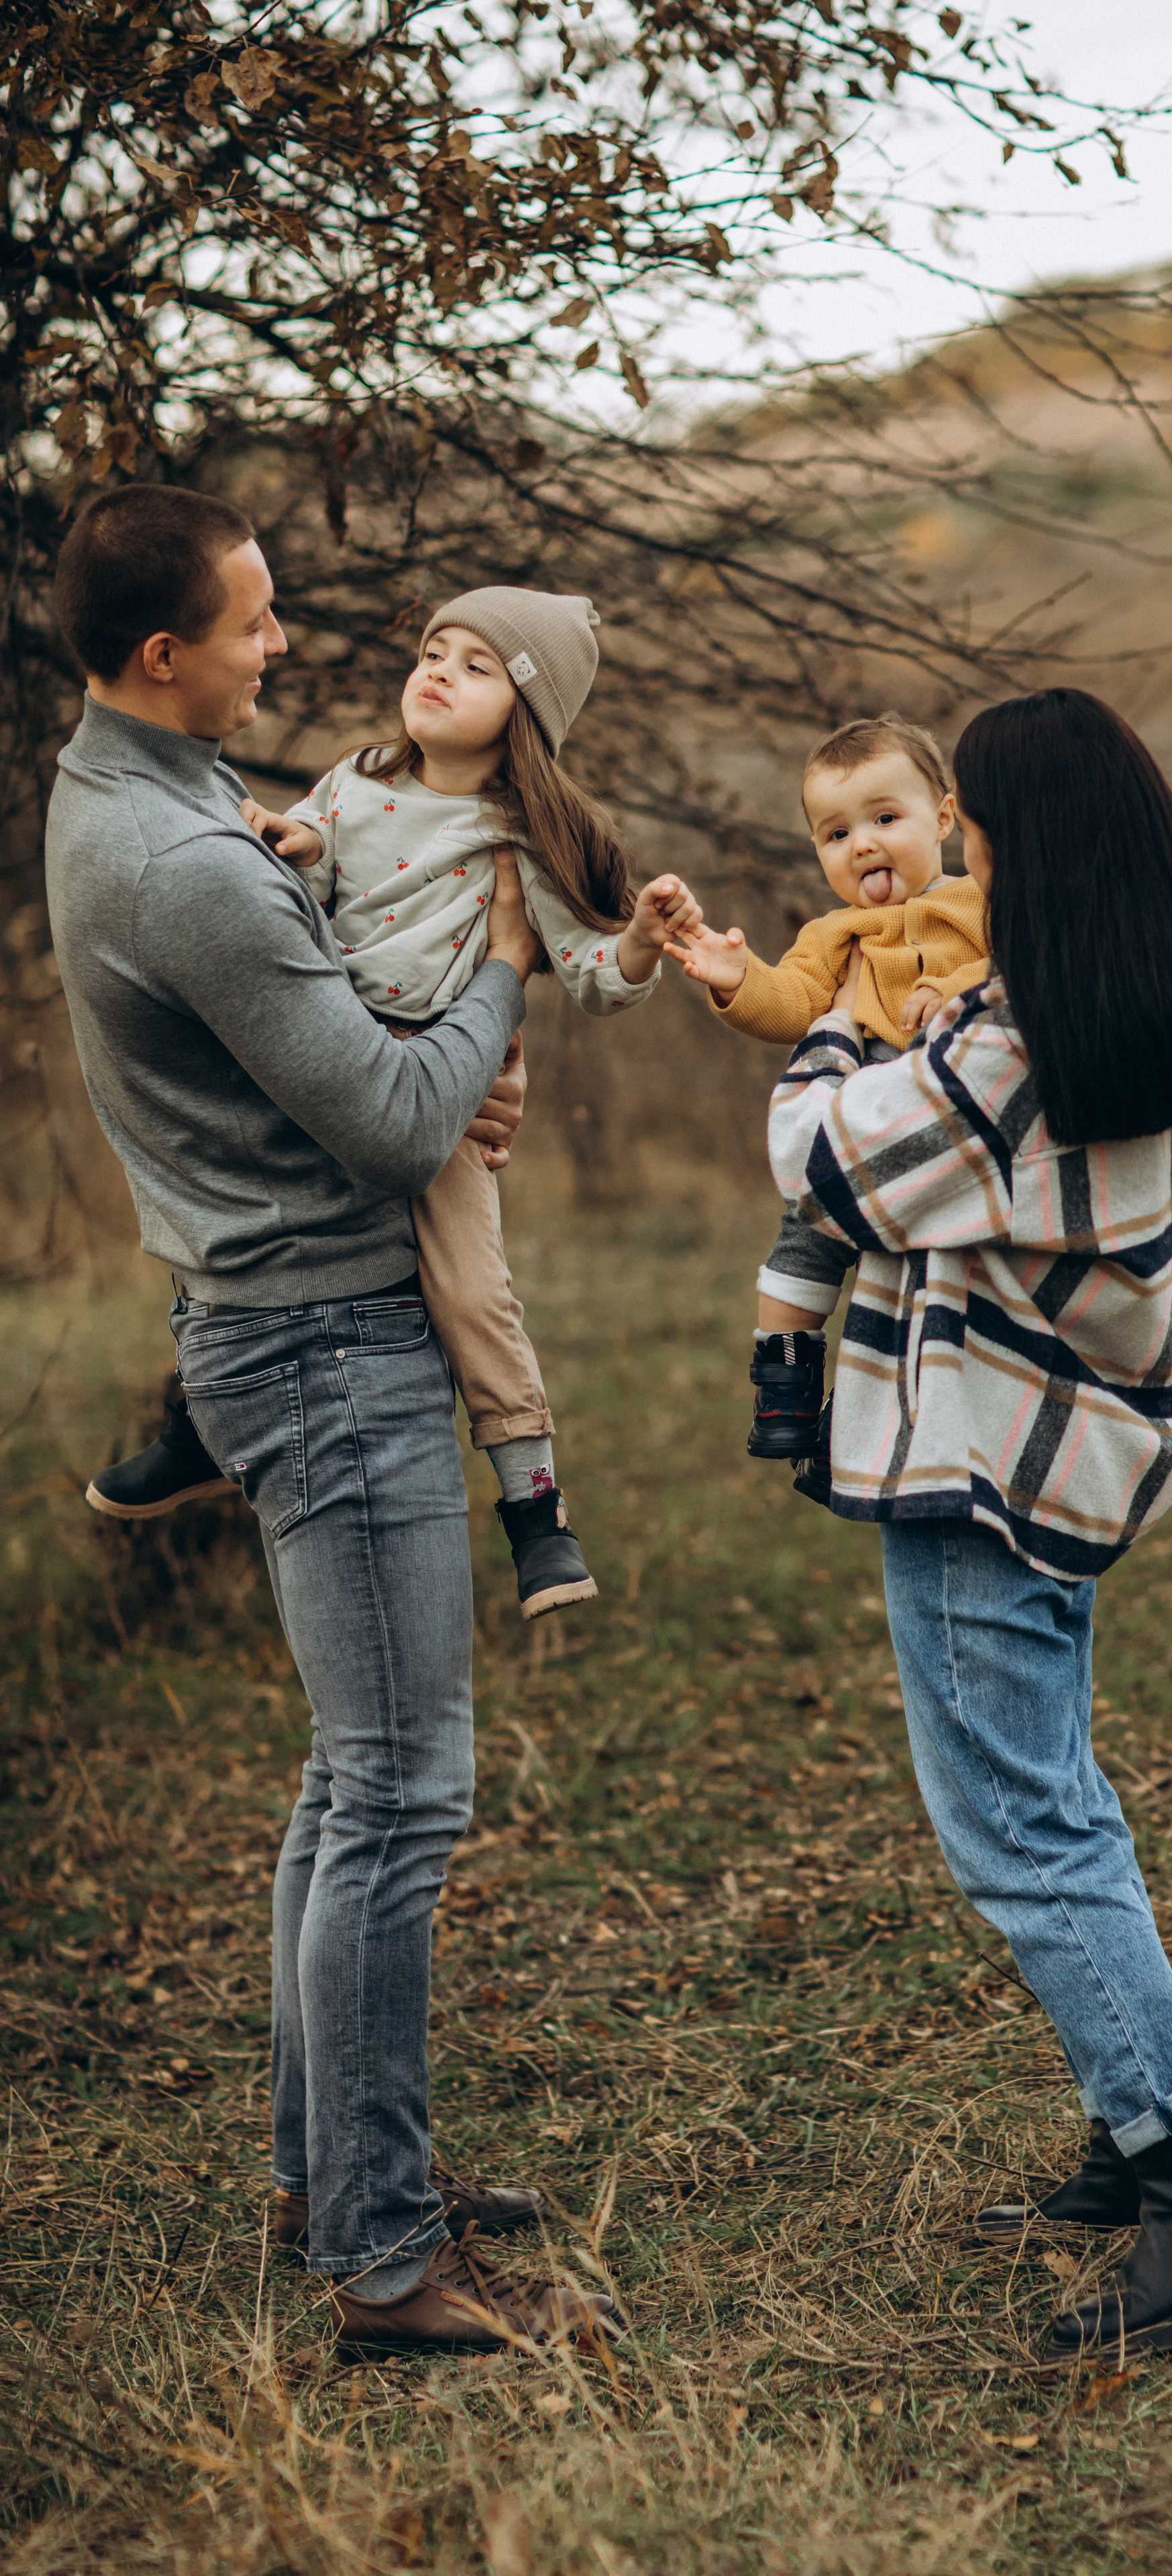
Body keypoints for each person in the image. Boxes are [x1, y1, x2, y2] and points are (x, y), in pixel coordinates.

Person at [46, 483, 617, 2357]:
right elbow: (385, 1113)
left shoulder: (154, 791)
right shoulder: (186, 860)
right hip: (324, 1338)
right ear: (162, 655)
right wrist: (498, 994)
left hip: (290, 1318)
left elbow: (359, 1052)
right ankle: (384, 2259)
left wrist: (444, 1077)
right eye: (253, 621)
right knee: (398, 1793)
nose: (283, 643)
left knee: (347, 1776)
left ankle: (327, 2176)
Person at [763, 687, 1172, 2357]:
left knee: (1020, 1831)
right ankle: (1123, 2110)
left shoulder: (1007, 1048)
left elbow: (821, 1159)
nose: (962, 873)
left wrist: (832, 1034)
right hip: (1086, 1450)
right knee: (1055, 1791)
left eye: (979, 842)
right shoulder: (1158, 998)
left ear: (1027, 851)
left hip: (979, 1470)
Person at [87, 584, 702, 1618]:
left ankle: (537, 1511)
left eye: (475, 666)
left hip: (437, 1079)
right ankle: (201, 1423)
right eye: (433, 649)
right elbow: (316, 879)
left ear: (525, 714)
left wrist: (640, 937)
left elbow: (591, 975)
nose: (438, 672)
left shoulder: (518, 835)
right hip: (321, 1051)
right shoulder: (356, 779)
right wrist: (292, 843)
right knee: (239, 1208)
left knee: (471, 1290)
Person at [667, 714, 989, 1458]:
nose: (862, 845)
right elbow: (794, 1004)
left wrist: (957, 989)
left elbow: (1019, 972)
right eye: (835, 834)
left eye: (884, 818)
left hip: (944, 1110)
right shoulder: (832, 936)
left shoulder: (978, 905)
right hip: (852, 1125)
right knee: (798, 1244)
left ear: (942, 817)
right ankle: (785, 1388)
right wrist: (738, 979)